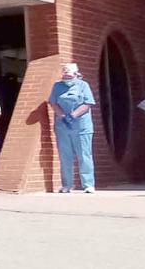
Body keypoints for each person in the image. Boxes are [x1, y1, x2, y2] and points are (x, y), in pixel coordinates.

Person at [49, 62, 96, 193]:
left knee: (84, 156)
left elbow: (88, 103)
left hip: (82, 126)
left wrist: (73, 115)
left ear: (76, 74)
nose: (67, 79)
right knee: (65, 156)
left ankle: (88, 184)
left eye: (69, 76)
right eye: (65, 76)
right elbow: (53, 102)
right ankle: (67, 185)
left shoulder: (83, 85)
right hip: (63, 126)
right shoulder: (57, 86)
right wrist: (63, 116)